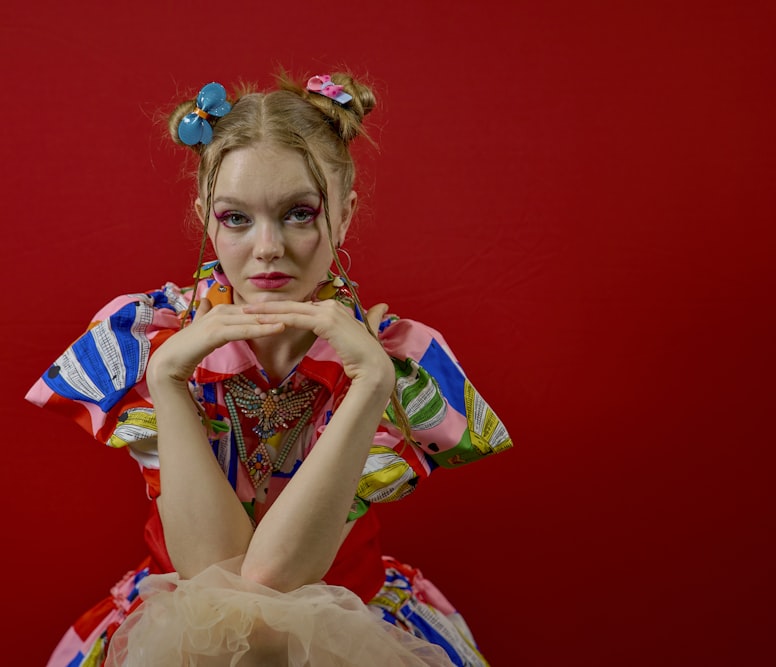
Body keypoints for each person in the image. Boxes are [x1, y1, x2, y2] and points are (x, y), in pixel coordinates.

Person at [26, 71, 512, 666]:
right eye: (236, 218)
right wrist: (167, 383)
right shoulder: (148, 342)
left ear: (346, 213)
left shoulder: (398, 362)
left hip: (351, 629)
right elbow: (213, 584)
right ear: (205, 214)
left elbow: (272, 583)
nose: (267, 248)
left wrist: (372, 385)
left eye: (299, 214)